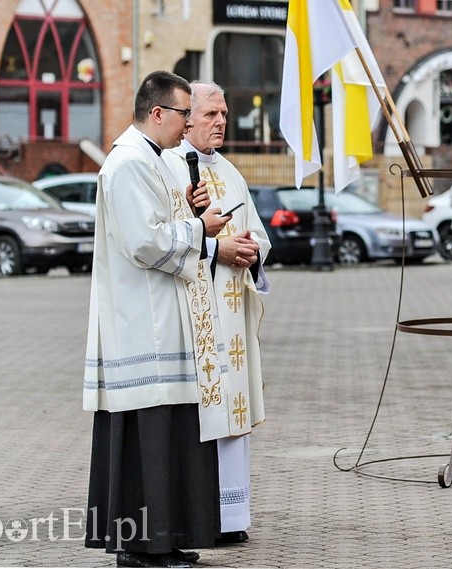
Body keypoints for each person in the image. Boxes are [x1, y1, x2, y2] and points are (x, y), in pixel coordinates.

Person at [83, 70, 233, 567]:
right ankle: (141, 548)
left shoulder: (157, 160)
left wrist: (187, 212)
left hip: (164, 321)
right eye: (185, 113)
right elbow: (144, 243)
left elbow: (159, 224)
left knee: (171, 435)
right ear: (157, 114)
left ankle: (166, 540)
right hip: (141, 327)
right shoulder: (127, 164)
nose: (189, 123)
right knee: (148, 439)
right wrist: (200, 229)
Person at [164, 81, 271, 545]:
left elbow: (258, 234)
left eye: (224, 113)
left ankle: (232, 515)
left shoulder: (230, 171)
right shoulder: (166, 165)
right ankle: (201, 513)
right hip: (197, 316)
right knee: (202, 413)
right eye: (211, 114)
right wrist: (216, 249)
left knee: (234, 410)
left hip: (233, 314)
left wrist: (251, 250)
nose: (221, 122)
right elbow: (165, 239)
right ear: (186, 118)